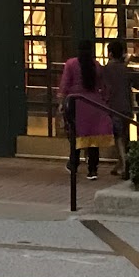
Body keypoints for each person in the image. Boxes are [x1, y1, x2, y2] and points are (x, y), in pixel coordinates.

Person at [59, 43, 115, 179]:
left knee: (76, 135)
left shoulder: (71, 64)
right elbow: (103, 86)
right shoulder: (96, 65)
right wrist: (104, 100)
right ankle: (92, 170)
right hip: (94, 103)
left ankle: (73, 164)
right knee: (93, 138)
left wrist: (61, 102)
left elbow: (65, 84)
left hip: (76, 102)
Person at [101, 39, 135, 178]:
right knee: (125, 135)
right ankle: (120, 163)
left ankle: (125, 164)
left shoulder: (106, 70)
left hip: (114, 106)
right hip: (127, 105)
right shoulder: (126, 69)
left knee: (118, 137)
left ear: (110, 53)